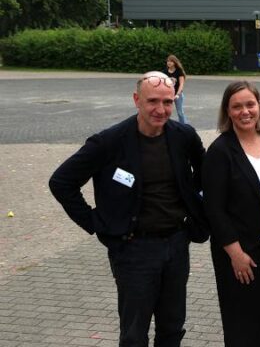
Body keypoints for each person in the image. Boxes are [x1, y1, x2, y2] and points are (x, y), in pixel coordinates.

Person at [49, 71, 208, 347]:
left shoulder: (183, 135)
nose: (161, 110)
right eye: (153, 101)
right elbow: (61, 182)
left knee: (172, 327)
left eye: (168, 102)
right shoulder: (109, 141)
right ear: (136, 100)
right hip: (134, 250)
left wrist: (191, 205)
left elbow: (206, 173)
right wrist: (96, 222)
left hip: (176, 244)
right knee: (134, 334)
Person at [202, 81, 260, 347]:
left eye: (250, 104)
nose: (245, 111)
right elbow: (214, 208)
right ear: (228, 112)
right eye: (237, 106)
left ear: (259, 106)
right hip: (240, 248)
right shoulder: (220, 150)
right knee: (242, 320)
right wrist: (235, 253)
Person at [163, 54, 187, 124]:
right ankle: (165, 126)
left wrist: (177, 94)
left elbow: (181, 84)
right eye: (168, 61)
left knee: (180, 112)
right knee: (165, 111)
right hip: (167, 95)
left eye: (171, 61)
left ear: (174, 62)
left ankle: (184, 127)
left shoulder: (179, 71)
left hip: (177, 95)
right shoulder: (165, 72)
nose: (169, 63)